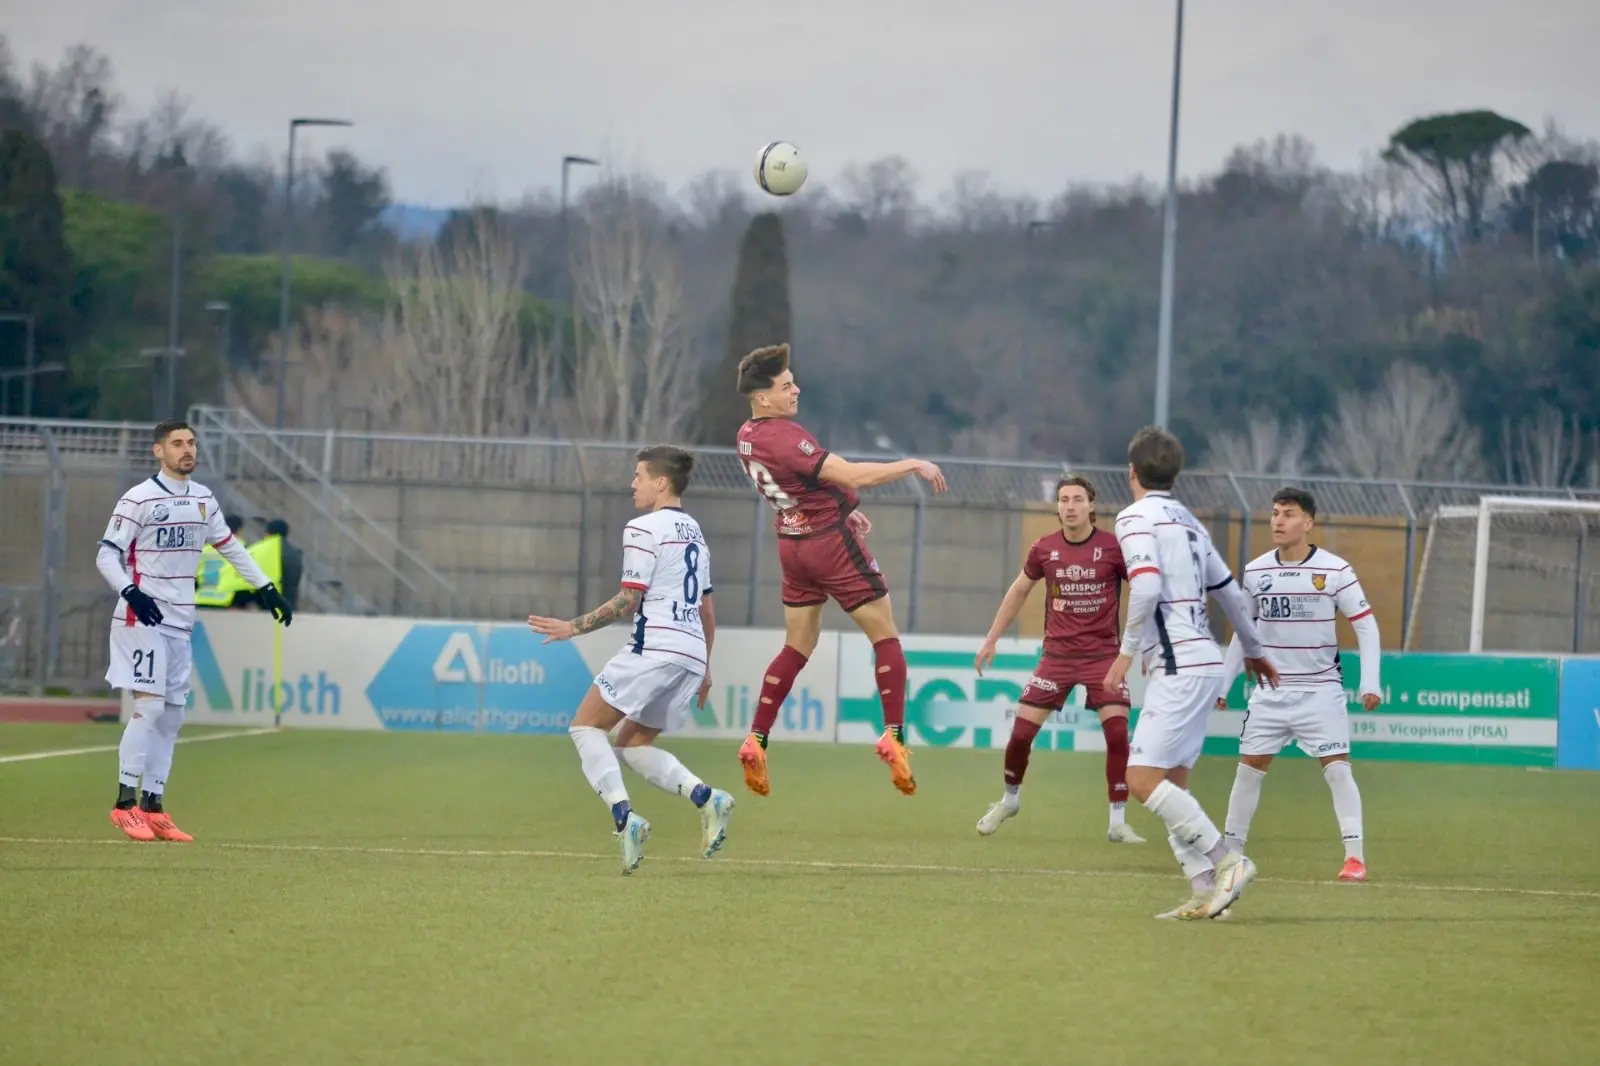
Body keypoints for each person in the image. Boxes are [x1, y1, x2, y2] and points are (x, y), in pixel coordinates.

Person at [731, 343, 947, 797]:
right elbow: (851, 476)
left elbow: (796, 488)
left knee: (797, 645)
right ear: (763, 397)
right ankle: (894, 735)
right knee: (885, 635)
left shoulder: (746, 434)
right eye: (786, 386)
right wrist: (913, 464)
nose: (796, 390)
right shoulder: (786, 436)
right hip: (827, 544)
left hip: (792, 545)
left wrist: (842, 510)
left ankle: (757, 737)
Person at [528, 446, 736, 875]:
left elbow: (629, 599)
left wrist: (573, 627)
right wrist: (706, 667)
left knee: (585, 727)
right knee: (633, 744)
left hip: (655, 648)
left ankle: (626, 819)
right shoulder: (696, 533)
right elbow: (707, 610)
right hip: (690, 653)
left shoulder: (643, 528)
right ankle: (707, 797)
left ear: (661, 483)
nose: (633, 483)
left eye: (640, 475)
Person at [1103, 426, 1279, 920]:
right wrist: (1253, 648)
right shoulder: (1191, 523)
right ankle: (1206, 888)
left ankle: (1228, 862)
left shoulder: (1135, 517)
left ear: (1131, 472)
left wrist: (1124, 651)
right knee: (1172, 785)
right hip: (1200, 661)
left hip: (1179, 666)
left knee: (1139, 778)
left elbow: (1145, 587)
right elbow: (1231, 591)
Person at [97, 419, 294, 842]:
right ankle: (124, 803)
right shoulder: (139, 499)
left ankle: (154, 807)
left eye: (191, 443)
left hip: (181, 622)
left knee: (173, 714)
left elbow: (230, 547)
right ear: (158, 451)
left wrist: (266, 588)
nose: (187, 450)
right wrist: (132, 593)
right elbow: (106, 555)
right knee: (148, 709)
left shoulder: (204, 499)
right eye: (177, 444)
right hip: (141, 617)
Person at [1219, 487, 1382, 883]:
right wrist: (1222, 685)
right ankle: (1228, 857)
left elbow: (1365, 625)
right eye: (1275, 513)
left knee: (1338, 770)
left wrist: (1370, 681)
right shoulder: (1256, 571)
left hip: (1320, 691)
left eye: (1288, 514)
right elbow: (1243, 631)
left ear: (1308, 523)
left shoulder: (1336, 571)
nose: (1278, 520)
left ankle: (1355, 859)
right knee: (1247, 772)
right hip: (1270, 694)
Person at [974, 474, 1145, 843]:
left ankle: (1117, 821)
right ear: (1057, 506)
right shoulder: (1044, 549)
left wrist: (1144, 647)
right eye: (1064, 499)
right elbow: (1019, 590)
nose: (1069, 506)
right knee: (1020, 736)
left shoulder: (1114, 549)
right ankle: (1009, 800)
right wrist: (991, 639)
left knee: (1117, 734)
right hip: (1057, 656)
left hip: (1103, 656)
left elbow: (1146, 593)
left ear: (1091, 506)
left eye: (1077, 499)